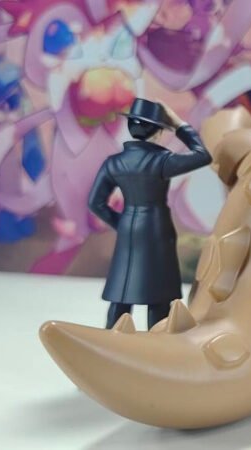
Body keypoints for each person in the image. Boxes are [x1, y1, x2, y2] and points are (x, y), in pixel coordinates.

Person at [88, 98, 212, 329]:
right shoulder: (161, 161)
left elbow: (95, 202)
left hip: (128, 226)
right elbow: (202, 155)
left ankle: (111, 336)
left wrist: (122, 224)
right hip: (156, 226)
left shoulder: (114, 163)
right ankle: (157, 338)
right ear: (157, 132)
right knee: (158, 292)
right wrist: (179, 125)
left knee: (122, 290)